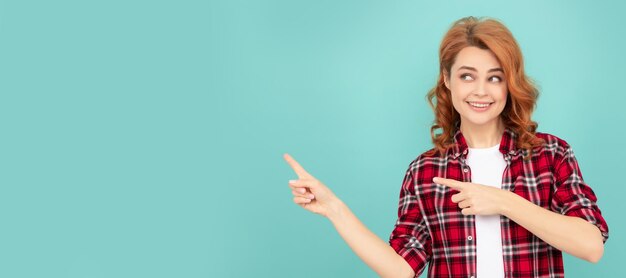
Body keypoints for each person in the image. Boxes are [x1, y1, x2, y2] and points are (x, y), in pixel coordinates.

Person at [283, 16, 609, 278]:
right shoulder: (425, 171)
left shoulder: (550, 155)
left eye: (495, 77)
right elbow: (400, 269)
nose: (481, 91)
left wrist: (503, 201)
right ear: (447, 79)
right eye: (467, 76)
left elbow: (591, 245)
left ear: (509, 83)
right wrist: (335, 210)